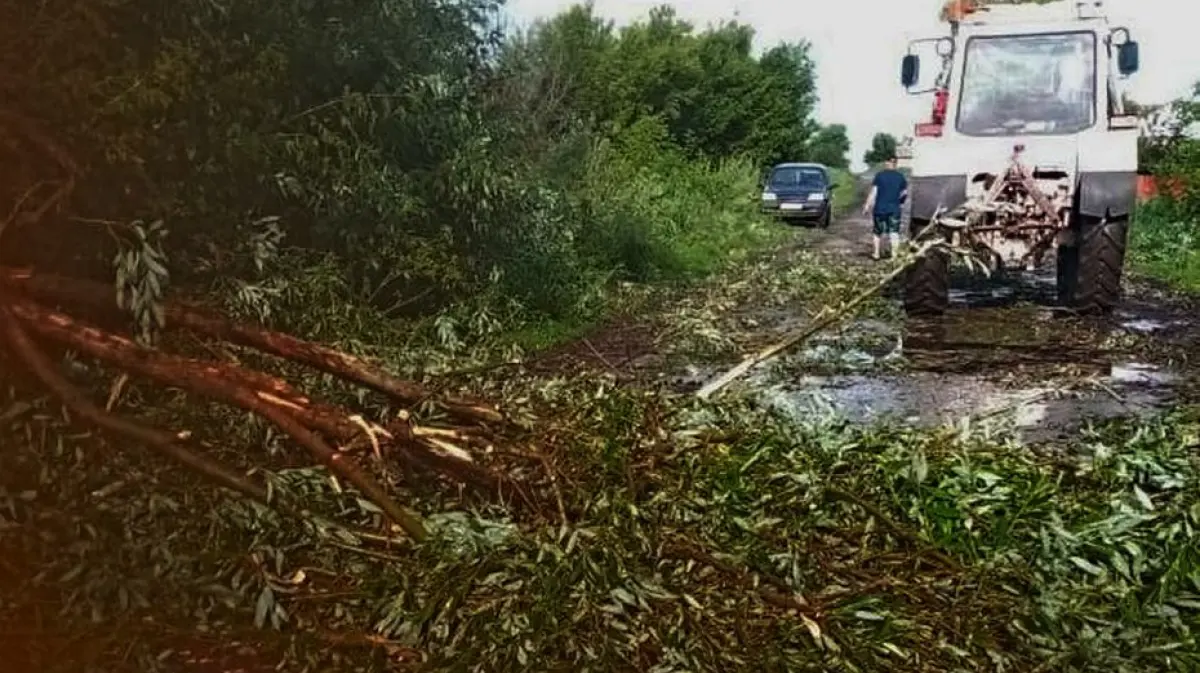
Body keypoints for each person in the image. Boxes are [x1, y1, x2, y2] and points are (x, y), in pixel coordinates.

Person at [862, 156, 908, 260]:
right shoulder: (900, 177)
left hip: (880, 209)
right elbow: (904, 193)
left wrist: (867, 205)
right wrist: (900, 202)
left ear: (887, 163)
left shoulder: (879, 176)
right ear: (896, 164)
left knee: (877, 232)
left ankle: (876, 254)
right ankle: (894, 256)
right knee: (894, 232)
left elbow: (874, 192)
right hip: (894, 209)